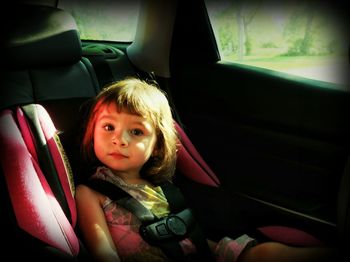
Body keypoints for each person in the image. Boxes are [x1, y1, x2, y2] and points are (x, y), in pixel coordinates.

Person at [75, 77, 336, 262]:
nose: (120, 139)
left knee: (266, 253)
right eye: (109, 127)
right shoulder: (91, 194)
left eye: (136, 132)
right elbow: (105, 255)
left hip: (206, 252)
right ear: (92, 132)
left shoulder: (162, 186)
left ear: (156, 146)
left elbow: (190, 237)